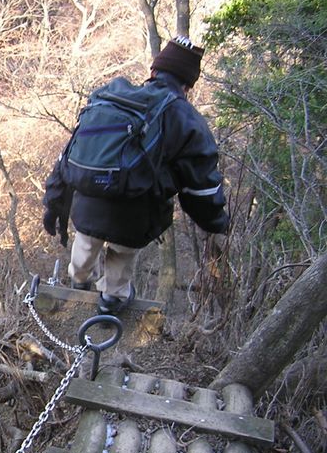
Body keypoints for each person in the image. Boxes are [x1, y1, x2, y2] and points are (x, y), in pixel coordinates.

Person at [42, 36, 230, 315]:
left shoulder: (110, 99)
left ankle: (79, 282)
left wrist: (55, 202)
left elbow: (68, 157)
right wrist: (218, 222)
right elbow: (200, 187)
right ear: (188, 85)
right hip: (135, 215)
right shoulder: (186, 118)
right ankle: (113, 301)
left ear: (153, 72)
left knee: (85, 247)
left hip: (87, 205)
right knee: (121, 257)